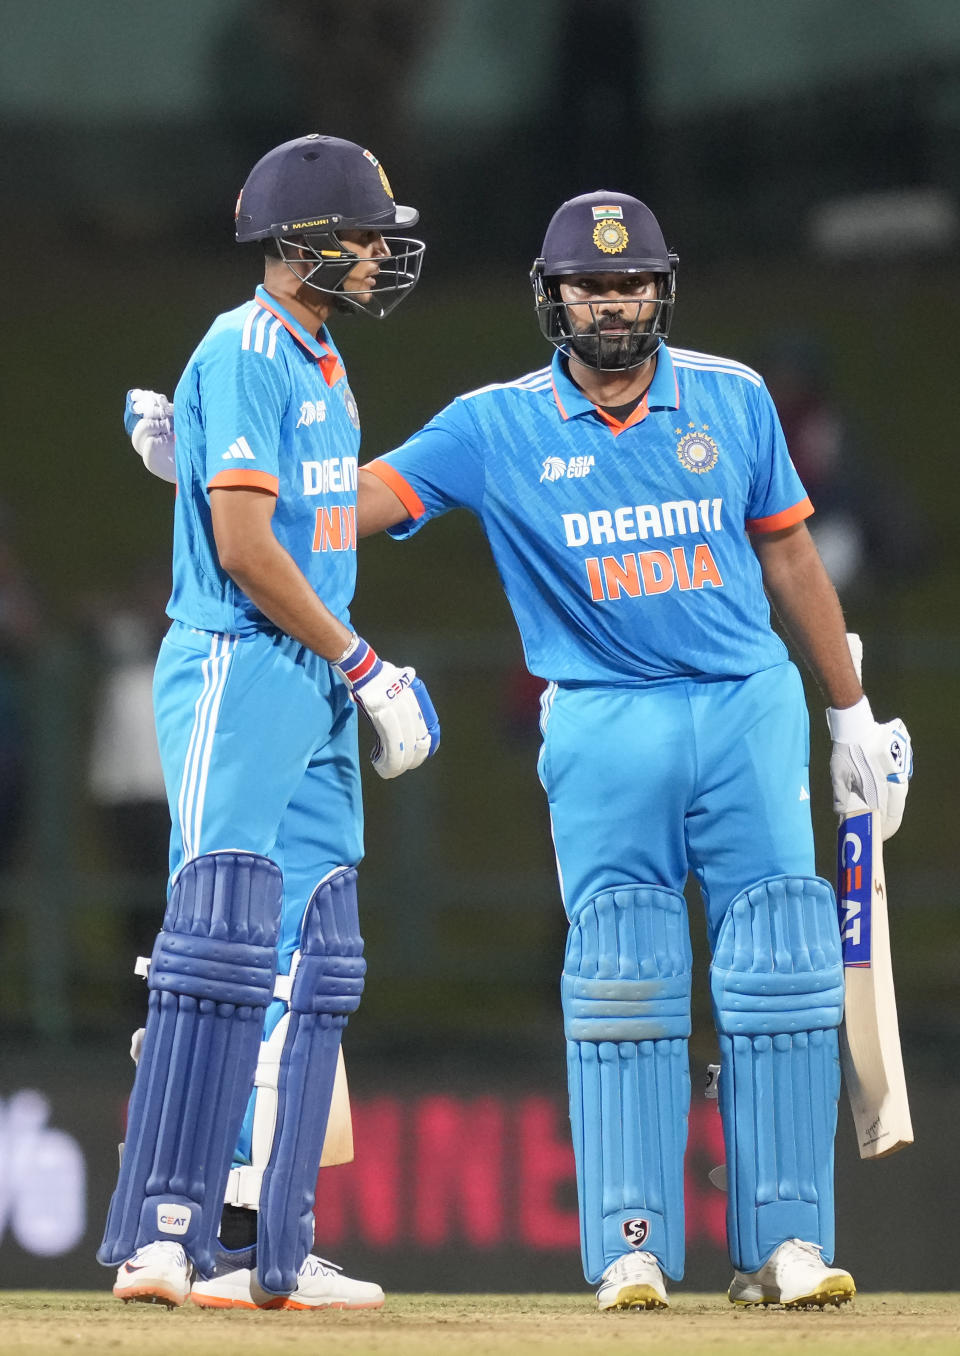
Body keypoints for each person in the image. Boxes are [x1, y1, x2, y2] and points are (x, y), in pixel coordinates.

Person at [128, 190, 912, 1311]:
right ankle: (631, 1244)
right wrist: (212, 461)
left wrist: (850, 713)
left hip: (746, 707)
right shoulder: (493, 426)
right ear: (554, 298)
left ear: (662, 290)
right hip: (601, 721)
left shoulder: (732, 399)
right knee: (624, 979)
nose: (614, 303)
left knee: (782, 970)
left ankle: (786, 1242)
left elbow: (790, 561)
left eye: (632, 282)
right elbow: (345, 508)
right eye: (592, 287)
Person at [99, 133, 439, 1313]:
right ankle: (162, 1227)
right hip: (246, 663)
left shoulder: (321, 360)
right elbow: (245, 552)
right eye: (361, 234)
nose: (379, 253)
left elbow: (294, 511)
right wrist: (366, 662)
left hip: (308, 676)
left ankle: (257, 1241)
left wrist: (192, 456)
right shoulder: (244, 345)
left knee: (304, 958)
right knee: (217, 938)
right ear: (299, 243)